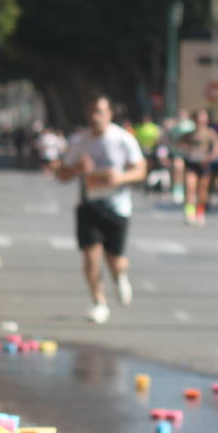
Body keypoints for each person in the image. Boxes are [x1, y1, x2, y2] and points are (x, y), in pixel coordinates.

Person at [56, 95, 147, 324]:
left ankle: (120, 277)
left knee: (114, 259)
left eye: (100, 111)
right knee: (90, 256)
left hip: (117, 206)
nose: (96, 117)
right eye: (92, 112)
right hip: (88, 205)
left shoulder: (122, 139)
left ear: (110, 114)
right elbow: (61, 173)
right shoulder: (80, 142)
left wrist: (120, 178)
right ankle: (99, 302)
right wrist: (77, 167)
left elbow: (141, 170)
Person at [178, 109, 218, 225]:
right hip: (191, 163)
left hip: (204, 164)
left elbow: (217, 148)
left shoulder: (210, 133)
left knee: (202, 191)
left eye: (203, 120)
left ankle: (200, 212)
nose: (200, 122)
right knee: (190, 187)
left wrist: (209, 158)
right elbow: (179, 144)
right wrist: (186, 149)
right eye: (198, 120)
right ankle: (189, 213)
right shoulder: (189, 134)